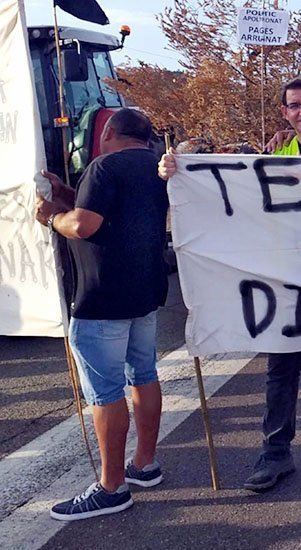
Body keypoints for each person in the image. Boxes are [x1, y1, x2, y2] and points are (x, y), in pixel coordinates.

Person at [159, 78, 301, 491]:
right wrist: (173, 170)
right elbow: (220, 195)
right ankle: (276, 454)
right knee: (281, 370)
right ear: (284, 113)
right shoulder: (268, 158)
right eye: (294, 106)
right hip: (288, 284)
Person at [35, 109, 168, 520]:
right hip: (145, 289)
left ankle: (111, 487)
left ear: (108, 131)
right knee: (143, 374)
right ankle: (145, 464)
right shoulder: (159, 166)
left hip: (101, 296)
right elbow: (114, 214)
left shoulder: (103, 165)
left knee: (105, 392)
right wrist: (70, 195)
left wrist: (53, 216)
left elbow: (86, 226)